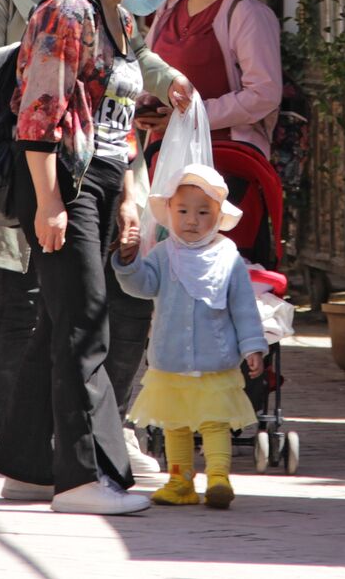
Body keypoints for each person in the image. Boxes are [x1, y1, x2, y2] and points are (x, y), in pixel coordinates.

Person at [0, 0, 195, 516]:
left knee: (61, 320)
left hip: (100, 183)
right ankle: (84, 477)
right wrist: (49, 203)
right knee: (85, 325)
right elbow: (39, 115)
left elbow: (118, 115)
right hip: (62, 184)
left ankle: (26, 467)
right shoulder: (69, 12)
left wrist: (130, 192)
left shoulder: (121, 18)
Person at [0, 0, 166, 478]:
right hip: (34, 163)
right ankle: (77, 463)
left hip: (97, 165)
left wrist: (165, 83)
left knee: (73, 318)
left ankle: (30, 457)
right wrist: (46, 49)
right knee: (45, 311)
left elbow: (130, 68)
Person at [112, 163, 267, 510]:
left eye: (202, 212)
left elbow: (243, 307)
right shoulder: (164, 255)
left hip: (216, 362)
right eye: (183, 211)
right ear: (169, 213)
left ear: (218, 217)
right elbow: (142, 286)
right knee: (175, 424)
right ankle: (180, 481)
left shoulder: (227, 256)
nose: (191, 220)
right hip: (169, 361)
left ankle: (218, 478)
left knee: (215, 423)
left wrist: (253, 346)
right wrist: (128, 261)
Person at [146, 0, 282, 158]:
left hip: (222, 160)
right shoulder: (170, 5)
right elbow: (148, 69)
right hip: (166, 155)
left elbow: (264, 93)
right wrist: (146, 106)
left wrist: (193, 115)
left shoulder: (247, 14)